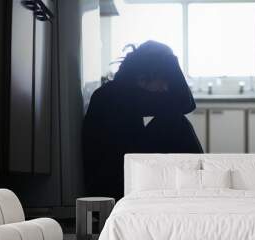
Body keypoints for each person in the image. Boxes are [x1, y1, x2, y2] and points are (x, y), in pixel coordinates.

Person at [83, 41, 203, 200]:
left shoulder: (115, 92)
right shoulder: (118, 96)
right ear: (143, 77)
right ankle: (202, 187)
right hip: (114, 186)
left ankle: (200, 186)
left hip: (118, 178)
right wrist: (171, 60)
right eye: (163, 80)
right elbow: (186, 102)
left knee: (173, 120)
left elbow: (183, 102)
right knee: (174, 121)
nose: (165, 88)